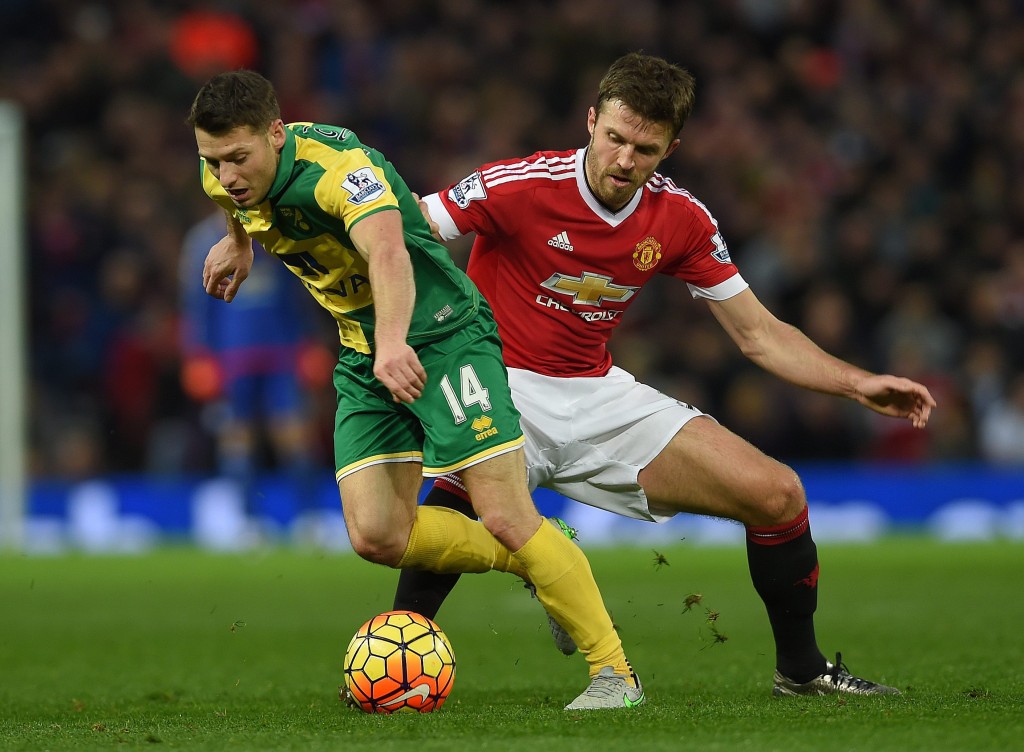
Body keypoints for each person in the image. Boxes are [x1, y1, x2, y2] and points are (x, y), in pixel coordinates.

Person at [392, 52, 937, 697]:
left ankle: (802, 672)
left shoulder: (681, 219)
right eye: (614, 138)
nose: (624, 160)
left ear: (670, 149)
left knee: (779, 495)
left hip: (595, 392)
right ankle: (395, 661)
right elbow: (399, 235)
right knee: (460, 497)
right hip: (497, 381)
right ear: (591, 121)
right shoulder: (517, 186)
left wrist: (857, 383)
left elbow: (759, 335)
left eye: (644, 150)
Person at [185, 69, 643, 710]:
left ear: (277, 134)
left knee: (505, 513)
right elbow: (234, 201)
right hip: (364, 350)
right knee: (376, 534)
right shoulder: (220, 172)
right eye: (214, 160)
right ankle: (537, 559)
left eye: (239, 157)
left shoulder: (343, 171)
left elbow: (389, 254)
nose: (227, 174)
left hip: (444, 336)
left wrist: (395, 341)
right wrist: (239, 244)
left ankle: (616, 675)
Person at [180, 211, 324, 527]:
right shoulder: (203, 240)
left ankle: (310, 518)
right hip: (231, 356)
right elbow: (196, 301)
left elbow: (297, 290)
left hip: (280, 350)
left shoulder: (273, 228)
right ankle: (248, 520)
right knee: (237, 440)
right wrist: (198, 354)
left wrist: (307, 341)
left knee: (294, 437)